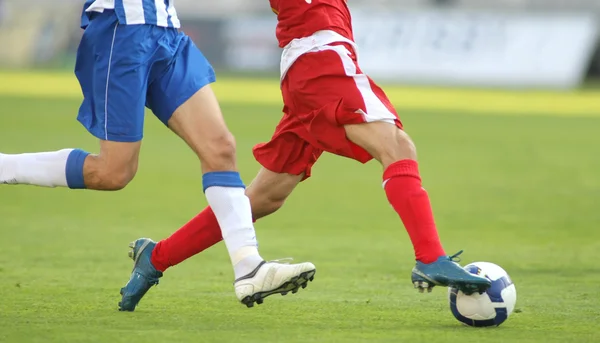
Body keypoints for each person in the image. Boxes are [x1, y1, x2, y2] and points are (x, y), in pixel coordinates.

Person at [117, 0, 492, 311]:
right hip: (322, 58)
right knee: (398, 147)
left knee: (264, 197)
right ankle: (429, 256)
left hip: (311, 63)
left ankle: (157, 257)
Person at [0, 0, 315, 311]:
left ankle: (249, 267)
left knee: (220, 147)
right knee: (113, 172)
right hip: (122, 26)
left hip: (166, 29)